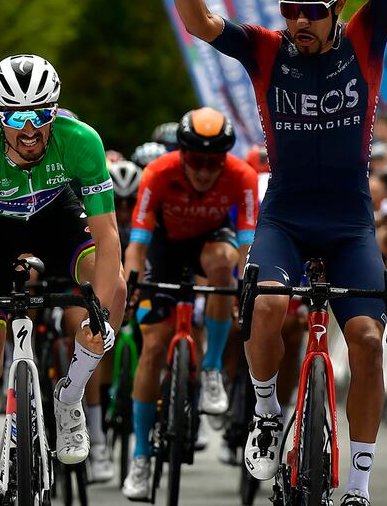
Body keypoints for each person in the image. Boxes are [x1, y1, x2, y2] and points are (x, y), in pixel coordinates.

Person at [145, 0, 387, 505]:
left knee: (364, 338)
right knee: (264, 309)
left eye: (311, 10)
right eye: (289, 7)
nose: (297, 22)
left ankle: (355, 485)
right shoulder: (266, 49)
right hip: (286, 217)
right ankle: (265, 413)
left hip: (350, 222)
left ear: (337, 7)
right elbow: (203, 23)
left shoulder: (364, 41)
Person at [0, 55, 124, 506]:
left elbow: (108, 236)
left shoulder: (81, 141)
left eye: (40, 113)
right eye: (16, 115)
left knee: (116, 283)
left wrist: (102, 317)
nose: (29, 127)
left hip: (55, 216)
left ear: (55, 111)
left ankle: (71, 394)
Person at [120, 108, 258, 500]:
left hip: (212, 242)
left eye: (213, 162)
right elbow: (138, 243)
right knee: (153, 348)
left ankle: (211, 367)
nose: (202, 171)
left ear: (225, 160)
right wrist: (133, 283)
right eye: (195, 160)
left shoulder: (241, 176)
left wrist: (245, 288)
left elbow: (247, 248)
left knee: (223, 264)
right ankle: (142, 458)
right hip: (164, 248)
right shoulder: (159, 173)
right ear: (181, 154)